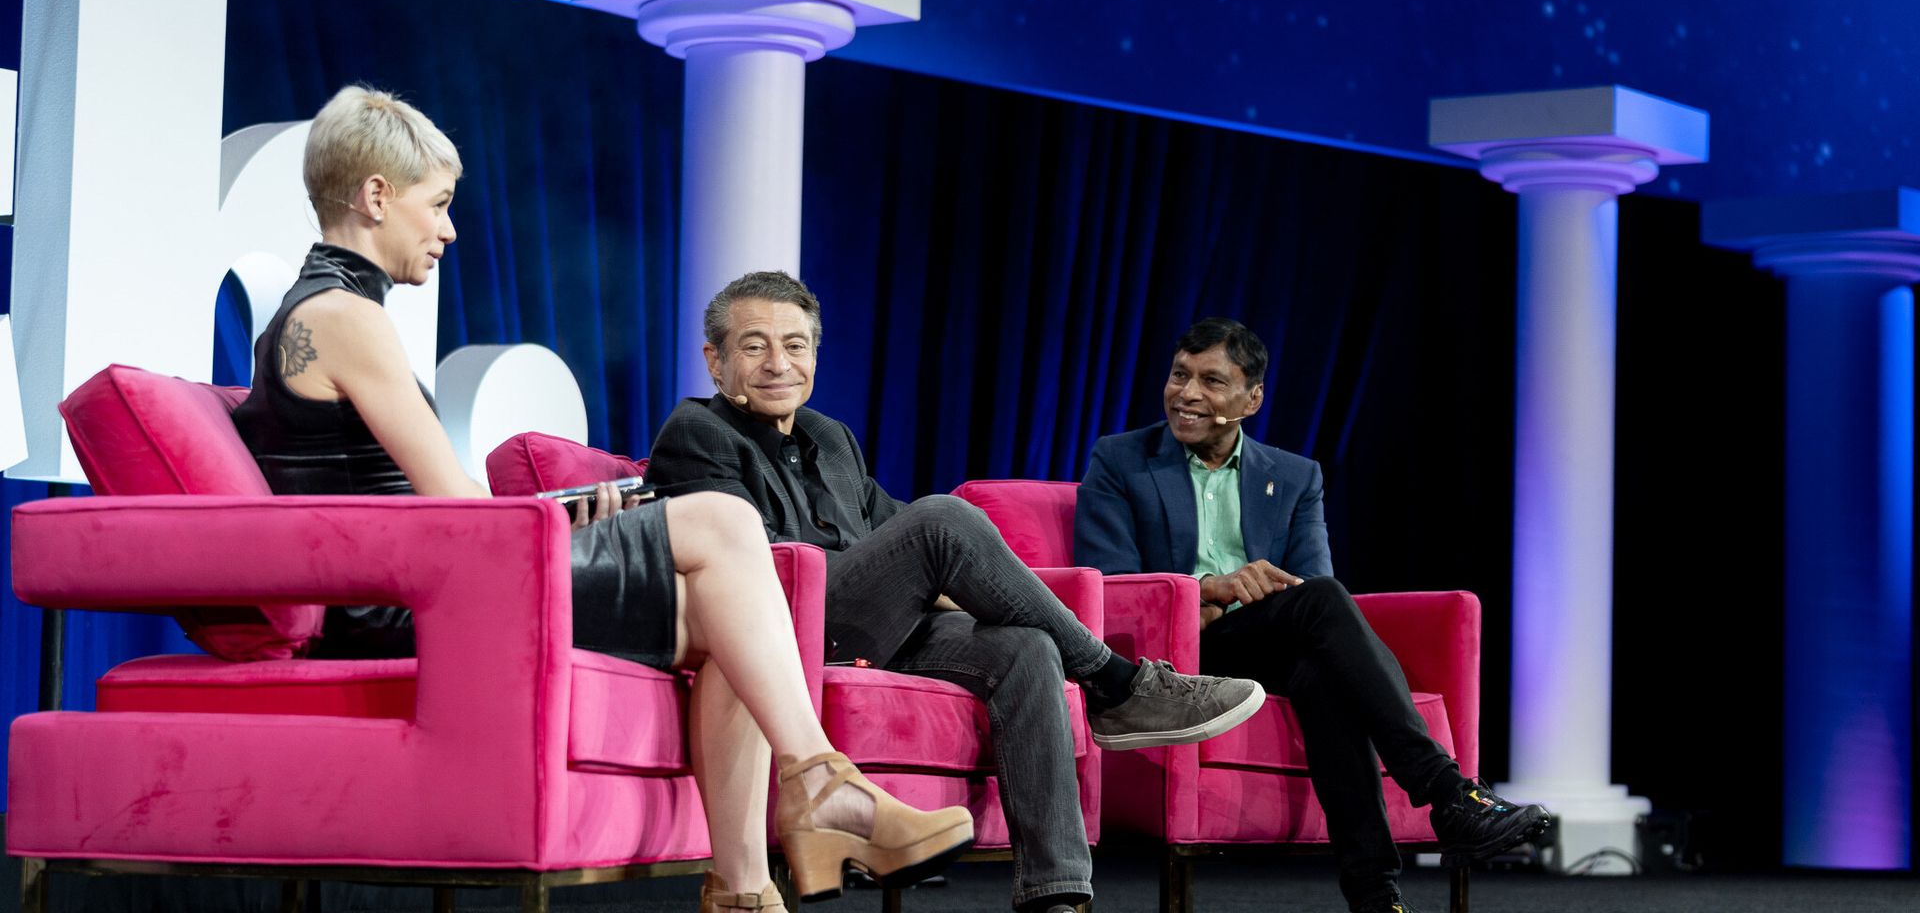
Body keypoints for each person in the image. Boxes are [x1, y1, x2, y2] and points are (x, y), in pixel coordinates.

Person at [230, 86, 973, 913]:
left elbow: (441, 503)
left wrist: (575, 515)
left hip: (427, 581)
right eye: (437, 205)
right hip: (406, 604)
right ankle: (823, 789)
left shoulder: (329, 311)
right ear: (375, 197)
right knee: (726, 520)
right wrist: (555, 525)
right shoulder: (343, 315)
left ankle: (745, 889)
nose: (447, 229)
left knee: (734, 615)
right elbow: (453, 507)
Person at [646, 271, 1267, 913]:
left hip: (876, 629)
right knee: (943, 519)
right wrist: (935, 564)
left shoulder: (830, 438)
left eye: (796, 345)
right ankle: (1117, 684)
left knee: (1024, 646)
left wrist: (968, 588)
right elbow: (747, 576)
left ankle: (1057, 895)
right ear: (715, 361)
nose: (779, 363)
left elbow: (897, 539)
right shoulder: (697, 434)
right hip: (780, 637)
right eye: (753, 346)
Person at [1074, 316, 1550, 913]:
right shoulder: (1121, 460)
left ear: (1251, 399)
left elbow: (1309, 581)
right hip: (1177, 653)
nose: (1188, 394)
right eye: (1179, 375)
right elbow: (1113, 587)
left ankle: (1376, 894)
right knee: (1325, 608)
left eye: (1211, 381)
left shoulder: (1295, 477)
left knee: (1323, 669)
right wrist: (1212, 589)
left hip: (1271, 639)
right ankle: (1446, 792)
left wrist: (1262, 598)